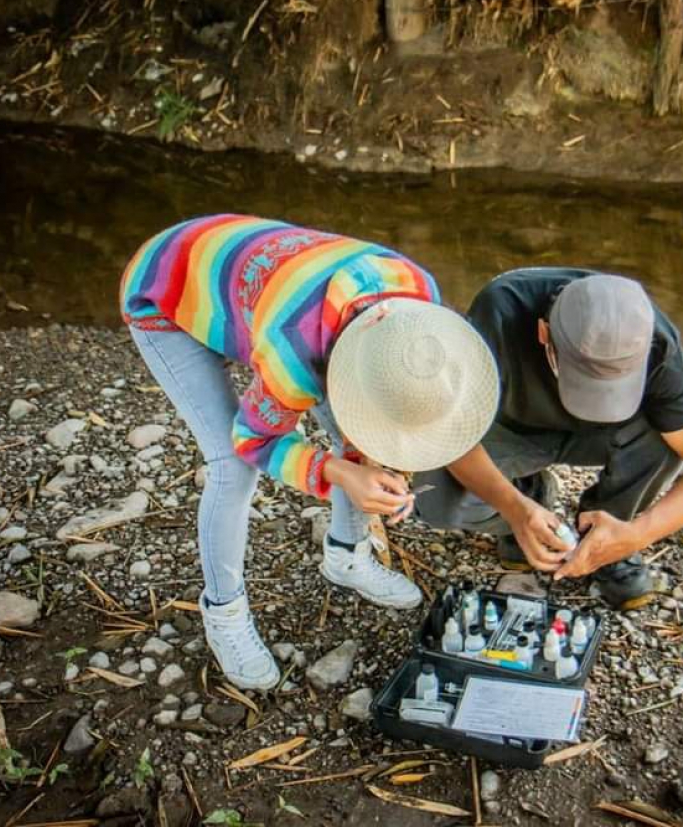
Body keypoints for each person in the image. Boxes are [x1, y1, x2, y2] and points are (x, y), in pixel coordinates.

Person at [119, 214, 498, 689]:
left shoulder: (419, 302)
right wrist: (339, 472)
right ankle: (224, 611)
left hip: (258, 283)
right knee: (231, 467)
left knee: (353, 427)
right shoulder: (295, 354)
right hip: (165, 285)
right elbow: (252, 439)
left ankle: (346, 555)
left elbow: (371, 410)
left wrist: (370, 456)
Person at [416, 269, 683, 610]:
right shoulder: (499, 312)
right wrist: (514, 508)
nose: (597, 402)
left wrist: (637, 535)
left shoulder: (652, 340)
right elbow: (448, 434)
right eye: (582, 381)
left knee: (669, 436)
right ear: (544, 333)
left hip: (603, 438)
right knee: (435, 497)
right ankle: (529, 498)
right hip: (512, 431)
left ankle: (607, 531)